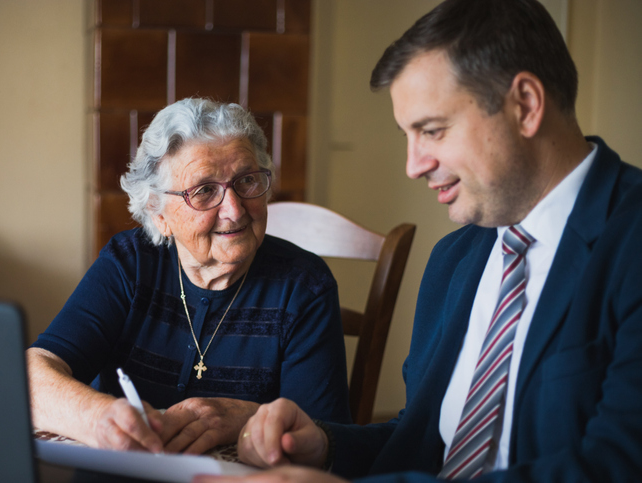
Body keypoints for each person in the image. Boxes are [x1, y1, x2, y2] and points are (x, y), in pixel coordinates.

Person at [195, 0, 642, 481]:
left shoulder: (630, 241)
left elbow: (617, 464)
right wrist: (324, 446)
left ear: (525, 106)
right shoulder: (454, 259)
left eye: (432, 130)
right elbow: (423, 442)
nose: (413, 165)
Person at [27, 98, 351, 456]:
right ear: (158, 212)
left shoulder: (304, 287)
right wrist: (97, 418)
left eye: (246, 180)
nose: (234, 209)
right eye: (204, 190)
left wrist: (249, 418)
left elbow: (324, 439)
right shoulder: (130, 263)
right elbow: (33, 376)